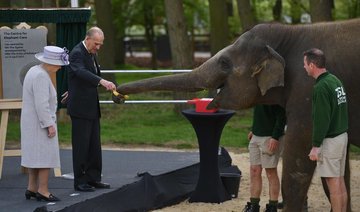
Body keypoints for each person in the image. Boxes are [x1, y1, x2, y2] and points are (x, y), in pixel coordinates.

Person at [65, 26, 116, 192]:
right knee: (81, 146)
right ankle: (80, 181)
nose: (98, 47)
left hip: (92, 107)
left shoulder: (92, 53)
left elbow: (80, 77)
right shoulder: (77, 52)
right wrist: (101, 81)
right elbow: (79, 72)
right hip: (80, 108)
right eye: (96, 43)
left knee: (94, 145)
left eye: (100, 44)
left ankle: (94, 178)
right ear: (87, 39)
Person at [21, 45, 69, 202]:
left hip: (31, 121)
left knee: (35, 156)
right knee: (45, 156)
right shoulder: (41, 76)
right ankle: (43, 190)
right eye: (59, 65)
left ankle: (32, 188)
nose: (60, 68)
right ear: (51, 62)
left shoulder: (33, 70)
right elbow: (42, 104)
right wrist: (49, 124)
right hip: (39, 122)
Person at [304, 48, 348, 212]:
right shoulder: (335, 80)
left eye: (305, 64)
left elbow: (322, 119)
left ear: (313, 64)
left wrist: (316, 146)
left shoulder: (321, 86)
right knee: (340, 181)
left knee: (333, 184)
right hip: (341, 136)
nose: (304, 67)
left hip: (331, 141)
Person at [243, 104, 286, 212]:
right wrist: (254, 129)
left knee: (270, 172)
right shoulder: (257, 92)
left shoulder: (274, 93)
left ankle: (272, 207)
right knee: (254, 171)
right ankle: (254, 206)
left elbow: (282, 116)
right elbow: (260, 113)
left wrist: (275, 136)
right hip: (256, 136)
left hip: (270, 137)